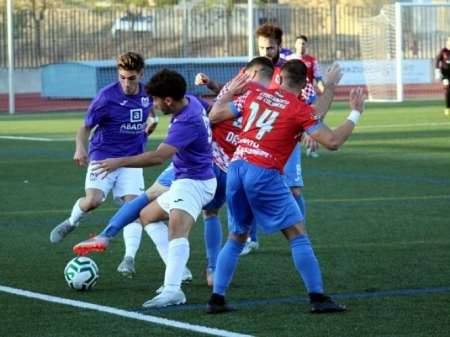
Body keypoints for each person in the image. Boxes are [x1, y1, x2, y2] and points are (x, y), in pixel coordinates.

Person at [205, 59, 365, 314]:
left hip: (236, 167)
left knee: (236, 236)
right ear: (304, 87)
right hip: (263, 171)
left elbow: (214, 115)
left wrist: (232, 91)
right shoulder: (300, 108)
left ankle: (217, 300)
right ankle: (318, 298)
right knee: (298, 234)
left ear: (278, 79)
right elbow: (332, 141)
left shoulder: (254, 97)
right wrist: (355, 112)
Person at [73, 68, 217, 308]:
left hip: (194, 182)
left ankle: (173, 290)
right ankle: (177, 272)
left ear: (168, 100)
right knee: (147, 215)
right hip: (185, 176)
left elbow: (159, 157)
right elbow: (211, 109)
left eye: (156, 100)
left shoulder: (187, 120)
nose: (154, 104)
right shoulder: (191, 100)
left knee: (177, 231)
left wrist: (119, 161)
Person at [49, 51, 157, 277]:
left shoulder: (148, 93)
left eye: (131, 78)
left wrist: (151, 123)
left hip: (131, 159)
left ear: (140, 74)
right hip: (103, 156)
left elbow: (149, 111)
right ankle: (71, 222)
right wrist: (80, 147)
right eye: (122, 77)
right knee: (93, 201)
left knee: (133, 210)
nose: (126, 84)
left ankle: (129, 259)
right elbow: (85, 126)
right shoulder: (106, 97)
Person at [287, 35, 326, 158]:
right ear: (295, 45)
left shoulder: (312, 61)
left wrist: (325, 92)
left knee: (314, 120)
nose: (301, 46)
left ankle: (312, 148)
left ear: (307, 45)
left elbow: (319, 79)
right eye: (299, 43)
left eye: (303, 43)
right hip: (292, 96)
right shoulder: (288, 59)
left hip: (308, 97)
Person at [434, 35, 450, 116]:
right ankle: (447, 108)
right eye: (449, 41)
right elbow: (437, 60)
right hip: (445, 73)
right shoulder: (443, 51)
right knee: (448, 87)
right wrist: (437, 72)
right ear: (447, 42)